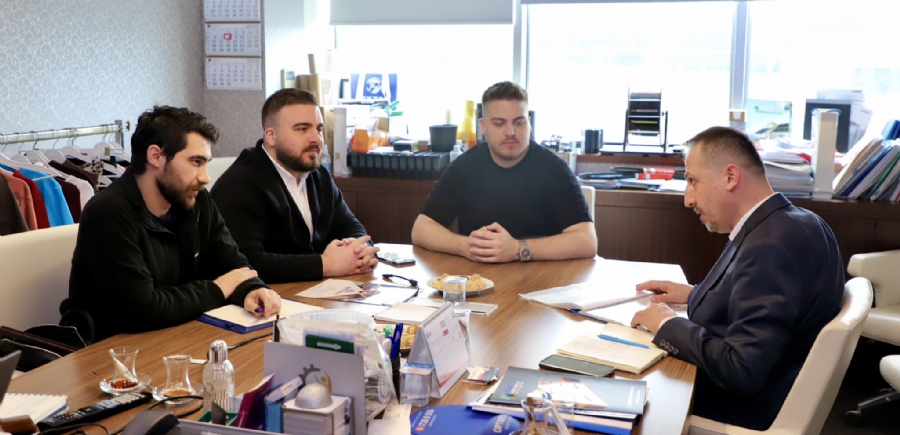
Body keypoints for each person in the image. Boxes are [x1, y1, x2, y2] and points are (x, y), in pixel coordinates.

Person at [630, 126, 844, 430]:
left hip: (736, 410)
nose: (687, 199)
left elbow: (742, 370)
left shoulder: (768, 247)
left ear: (731, 177)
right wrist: (694, 294)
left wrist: (667, 325)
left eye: (692, 181)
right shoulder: (802, 221)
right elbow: (766, 304)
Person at [62, 106, 281, 341]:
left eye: (206, 163)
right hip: (114, 349)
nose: (205, 177)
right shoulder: (107, 213)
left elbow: (233, 265)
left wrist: (251, 289)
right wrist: (216, 289)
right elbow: (141, 309)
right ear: (156, 156)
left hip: (177, 332)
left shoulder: (196, 201)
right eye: (196, 162)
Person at [411, 81, 597, 263]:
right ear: (483, 127)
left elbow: (587, 241)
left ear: (529, 123)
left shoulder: (554, 169)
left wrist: (518, 249)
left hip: (544, 277)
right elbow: (421, 229)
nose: (511, 132)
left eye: (519, 122)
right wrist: (466, 246)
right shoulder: (464, 167)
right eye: (499, 123)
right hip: (480, 276)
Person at [211, 89, 377, 283]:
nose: (316, 139)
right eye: (302, 129)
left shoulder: (318, 175)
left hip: (312, 290)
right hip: (264, 296)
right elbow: (245, 262)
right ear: (271, 137)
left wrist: (360, 251)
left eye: (319, 129)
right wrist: (326, 264)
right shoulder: (240, 184)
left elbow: (350, 226)